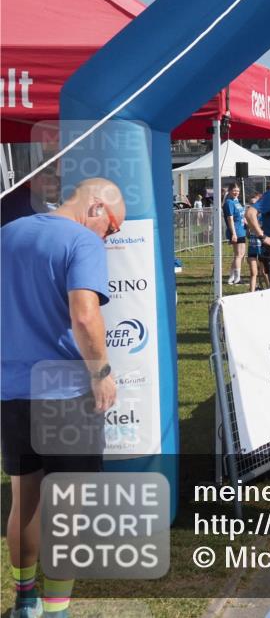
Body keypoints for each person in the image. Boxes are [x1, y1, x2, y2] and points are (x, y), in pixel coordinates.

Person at [2, 177, 124, 618]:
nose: (108, 239)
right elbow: (85, 315)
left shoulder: (7, 233)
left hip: (14, 390)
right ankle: (55, 610)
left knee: (25, 499)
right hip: (68, 392)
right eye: (110, 228)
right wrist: (103, 373)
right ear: (95, 207)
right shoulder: (80, 241)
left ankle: (25, 600)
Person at [222, 183, 246, 285]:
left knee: (240, 254)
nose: (236, 192)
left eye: (238, 191)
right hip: (236, 231)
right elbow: (230, 218)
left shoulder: (236, 202)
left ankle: (231, 278)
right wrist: (234, 233)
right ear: (230, 191)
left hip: (241, 229)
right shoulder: (229, 202)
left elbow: (240, 215)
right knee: (238, 255)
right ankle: (237, 279)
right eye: (234, 190)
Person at [245, 192, 268, 292]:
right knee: (253, 273)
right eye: (250, 204)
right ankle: (252, 292)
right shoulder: (248, 219)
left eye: (254, 204)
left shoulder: (263, 217)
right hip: (252, 248)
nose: (251, 207)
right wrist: (248, 228)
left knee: (264, 272)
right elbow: (248, 235)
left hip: (262, 248)